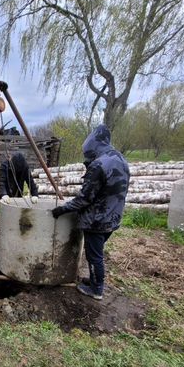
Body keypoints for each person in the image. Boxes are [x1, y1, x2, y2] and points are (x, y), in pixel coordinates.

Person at [52, 124, 130, 300]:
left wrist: (62, 209)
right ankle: (95, 280)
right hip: (113, 216)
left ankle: (96, 290)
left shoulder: (98, 165)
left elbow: (85, 198)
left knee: (94, 255)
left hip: (97, 220)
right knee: (97, 251)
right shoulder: (119, 158)